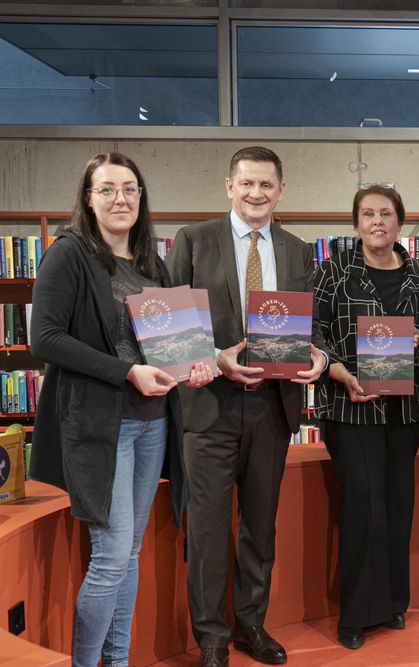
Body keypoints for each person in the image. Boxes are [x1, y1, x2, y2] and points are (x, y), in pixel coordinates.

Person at [29, 152, 213, 667]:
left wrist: (193, 366)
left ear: (141, 197)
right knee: (110, 558)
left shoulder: (152, 262)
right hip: (99, 427)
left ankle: (118, 660)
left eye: (129, 188)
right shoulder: (68, 254)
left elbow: (169, 347)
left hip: (153, 424)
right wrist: (124, 372)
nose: (119, 199)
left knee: (128, 555)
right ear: (88, 198)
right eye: (106, 189)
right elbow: (43, 338)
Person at [165, 146, 327, 667]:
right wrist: (215, 357)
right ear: (229, 187)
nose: (256, 193)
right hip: (209, 405)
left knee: (260, 527)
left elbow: (313, 325)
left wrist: (320, 359)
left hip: (273, 409)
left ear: (281, 191)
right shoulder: (193, 240)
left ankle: (250, 625)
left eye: (267, 185)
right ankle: (212, 638)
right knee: (209, 529)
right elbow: (168, 325)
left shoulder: (299, 250)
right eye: (247, 184)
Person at [311, 184, 419, 649]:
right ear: (356, 223)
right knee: (363, 505)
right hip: (350, 405)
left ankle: (391, 605)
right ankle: (355, 614)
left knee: (397, 502)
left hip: (406, 407)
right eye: (368, 214)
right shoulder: (333, 269)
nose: (377, 221)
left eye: (386, 213)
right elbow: (313, 327)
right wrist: (338, 369)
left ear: (400, 222)